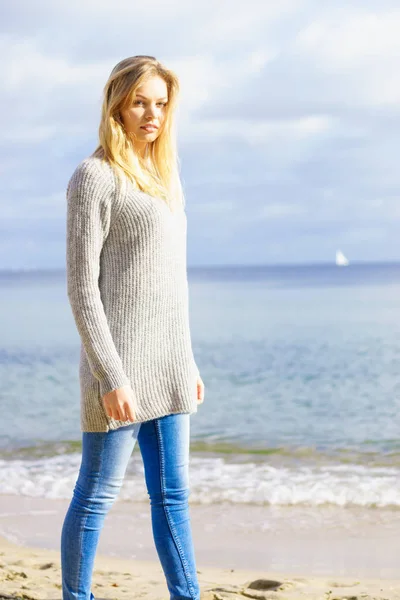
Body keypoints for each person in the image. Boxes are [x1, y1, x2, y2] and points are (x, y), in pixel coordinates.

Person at [61, 54, 205, 600]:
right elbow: (82, 290)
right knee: (97, 492)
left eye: (161, 103)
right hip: (117, 371)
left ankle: (185, 595)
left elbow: (171, 286)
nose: (152, 114)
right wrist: (111, 375)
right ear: (117, 105)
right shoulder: (94, 177)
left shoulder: (166, 178)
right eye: (140, 101)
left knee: (173, 497)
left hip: (168, 368)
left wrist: (185, 360)